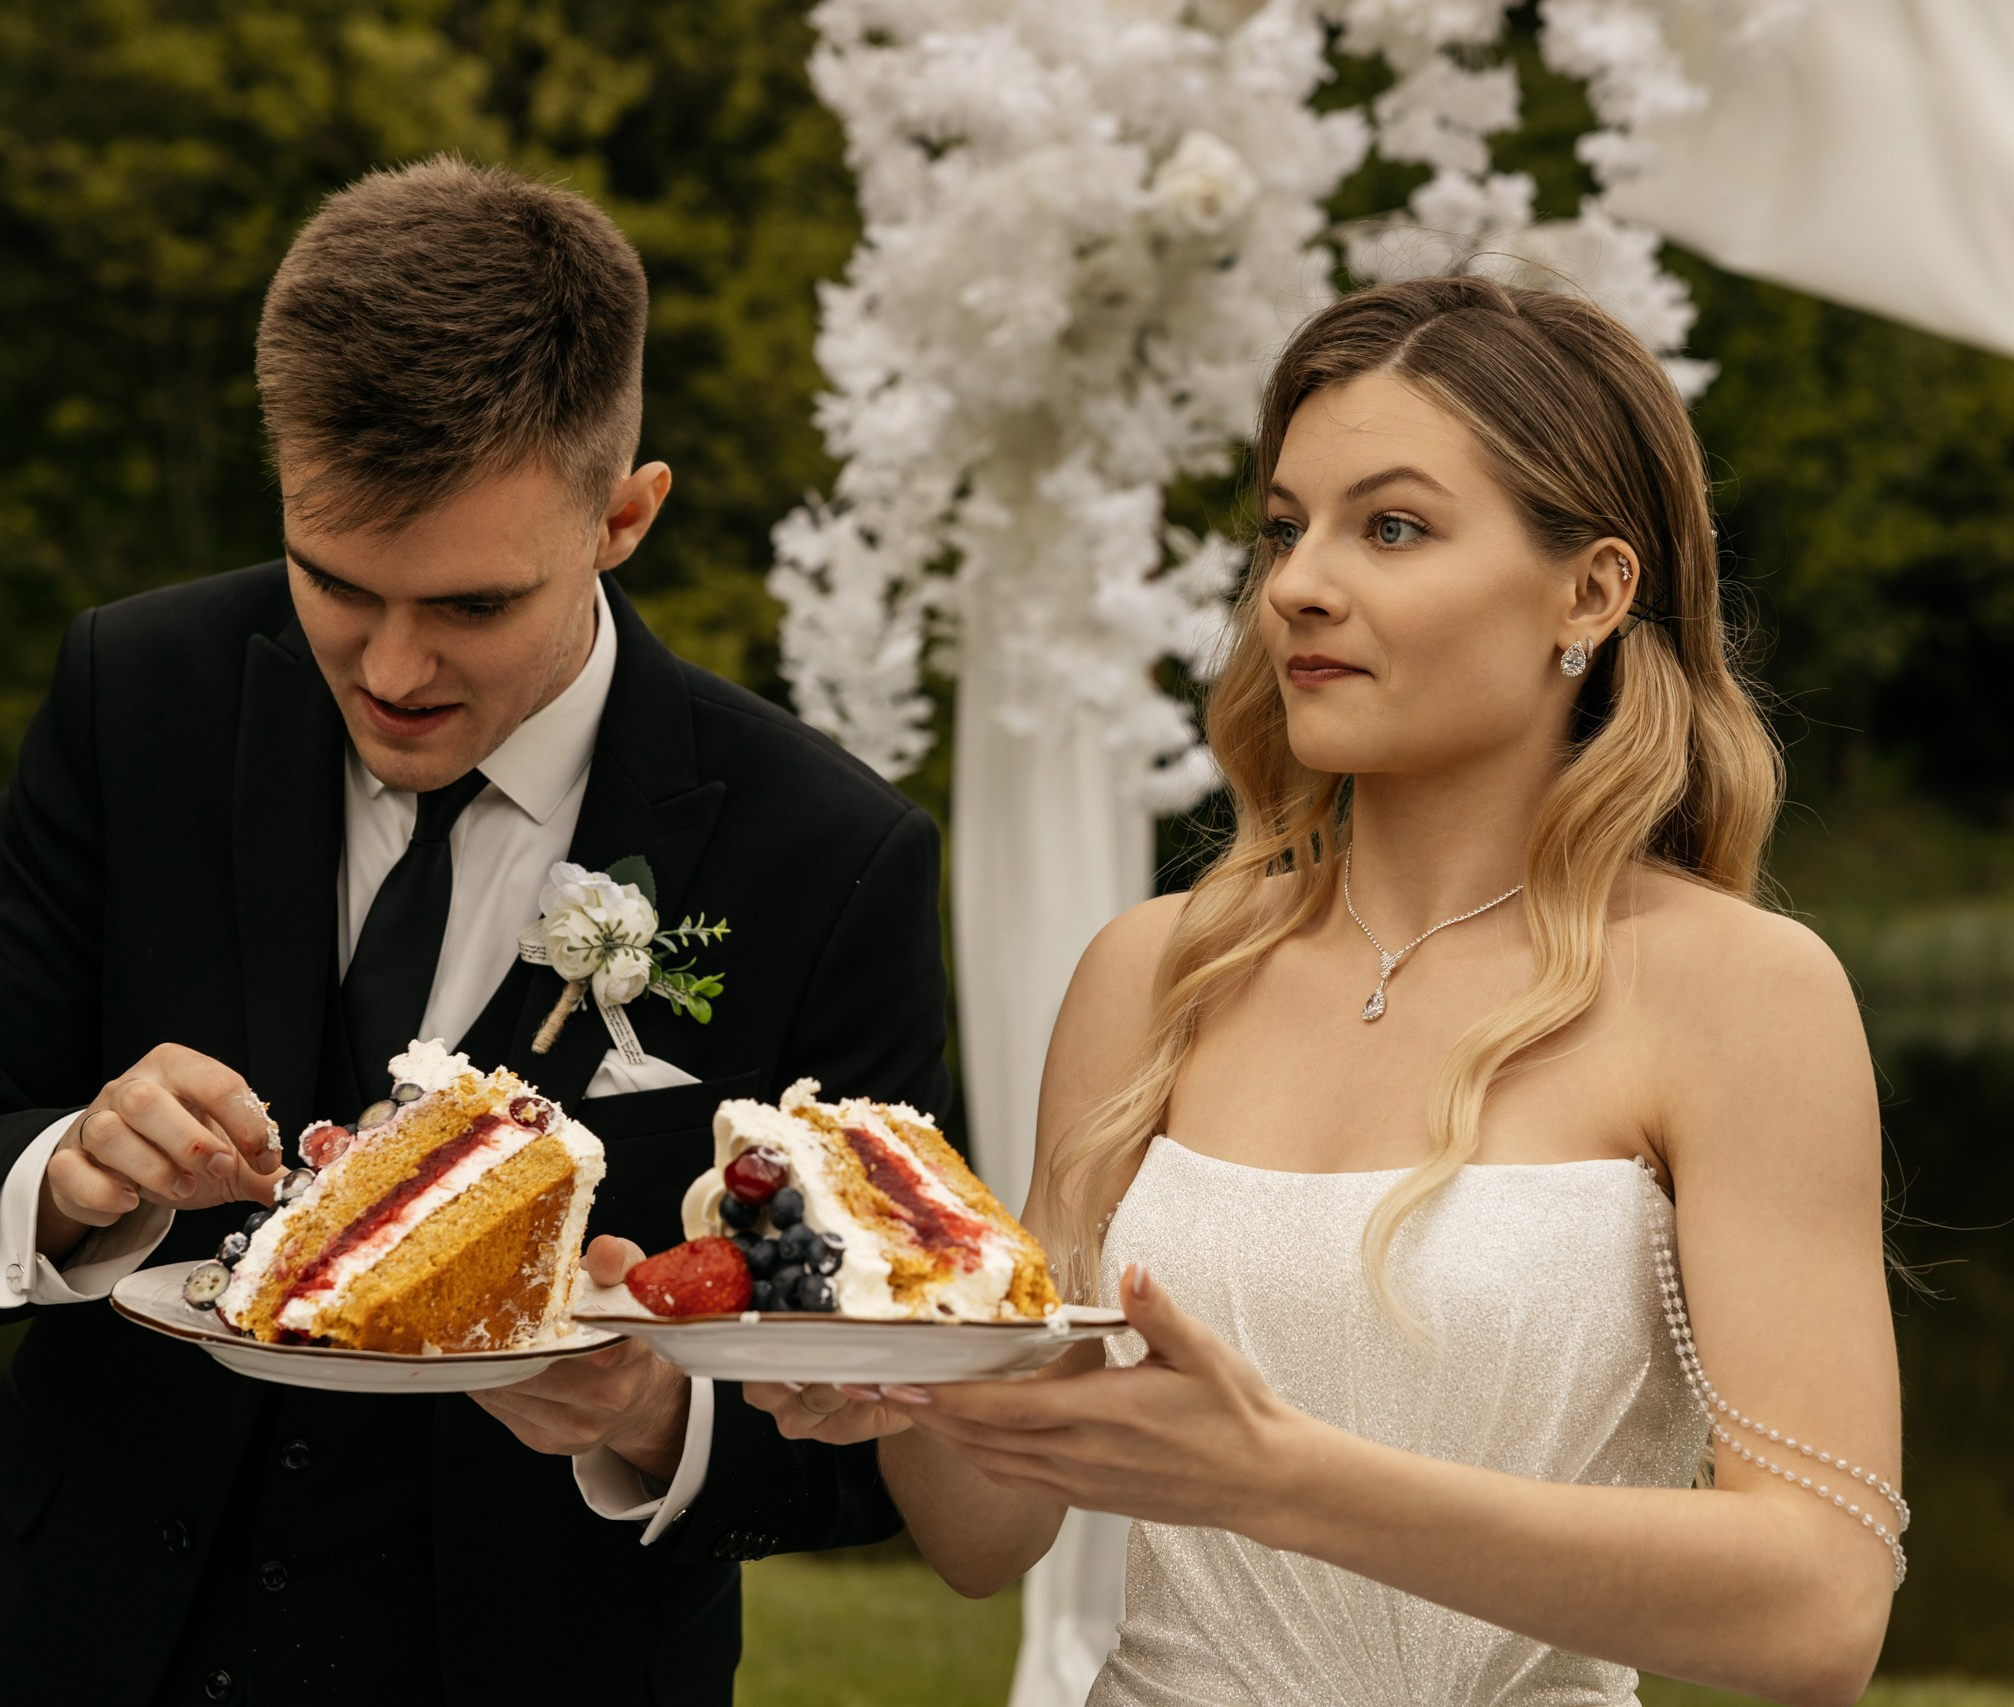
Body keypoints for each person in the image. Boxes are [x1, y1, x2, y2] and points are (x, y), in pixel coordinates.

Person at [0, 156, 941, 1706]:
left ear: (626, 515)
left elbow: (878, 1411)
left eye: (474, 607)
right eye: (334, 584)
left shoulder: (826, 854)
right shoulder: (135, 696)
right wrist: (69, 1175)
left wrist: (646, 1413)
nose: (395, 668)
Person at [752, 276, 1906, 1707]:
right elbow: (987, 1537)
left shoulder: (1741, 994)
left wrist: (1284, 1481)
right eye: (1285, 528)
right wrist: (886, 1370)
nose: (1296, 581)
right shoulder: (1155, 971)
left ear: (1592, 592)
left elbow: (1821, 1610)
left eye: (1394, 526)